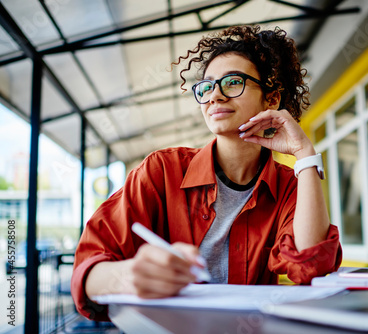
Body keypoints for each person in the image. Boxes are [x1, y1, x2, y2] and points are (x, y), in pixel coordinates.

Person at [71, 25, 342, 321]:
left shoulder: (290, 185)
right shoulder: (161, 171)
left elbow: (310, 265)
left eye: (233, 82)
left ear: (271, 100)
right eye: (207, 86)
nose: (216, 96)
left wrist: (304, 154)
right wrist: (130, 276)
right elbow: (88, 272)